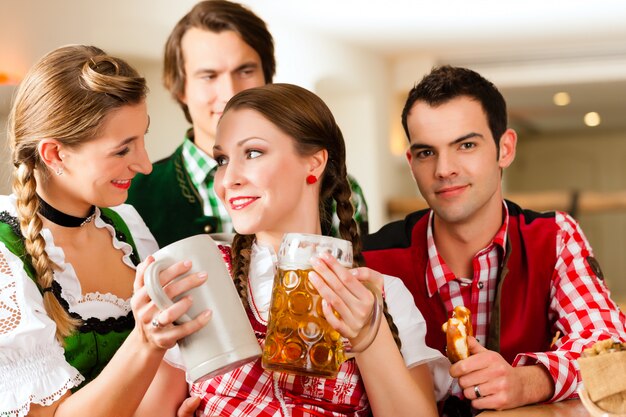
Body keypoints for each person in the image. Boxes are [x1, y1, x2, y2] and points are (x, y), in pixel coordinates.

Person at [154, 83, 452, 417]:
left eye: (252, 153)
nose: (228, 179)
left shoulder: (380, 295)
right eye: (222, 159)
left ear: (314, 162)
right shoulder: (205, 280)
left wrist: (370, 335)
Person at [362, 65, 626, 413]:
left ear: (505, 149)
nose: (444, 169)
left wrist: (528, 381)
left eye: (466, 145)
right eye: (427, 152)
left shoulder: (553, 236)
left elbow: (610, 348)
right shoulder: (371, 260)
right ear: (411, 163)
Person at [0, 44, 208, 417]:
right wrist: (145, 341)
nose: (145, 164)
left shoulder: (130, 227)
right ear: (55, 154)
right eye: (122, 150)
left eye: (142, 138)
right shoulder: (5, 256)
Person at [127, 0, 369, 247]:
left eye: (245, 71)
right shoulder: (130, 196)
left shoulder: (333, 185)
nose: (230, 92)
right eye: (209, 76)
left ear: (267, 76)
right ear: (180, 89)